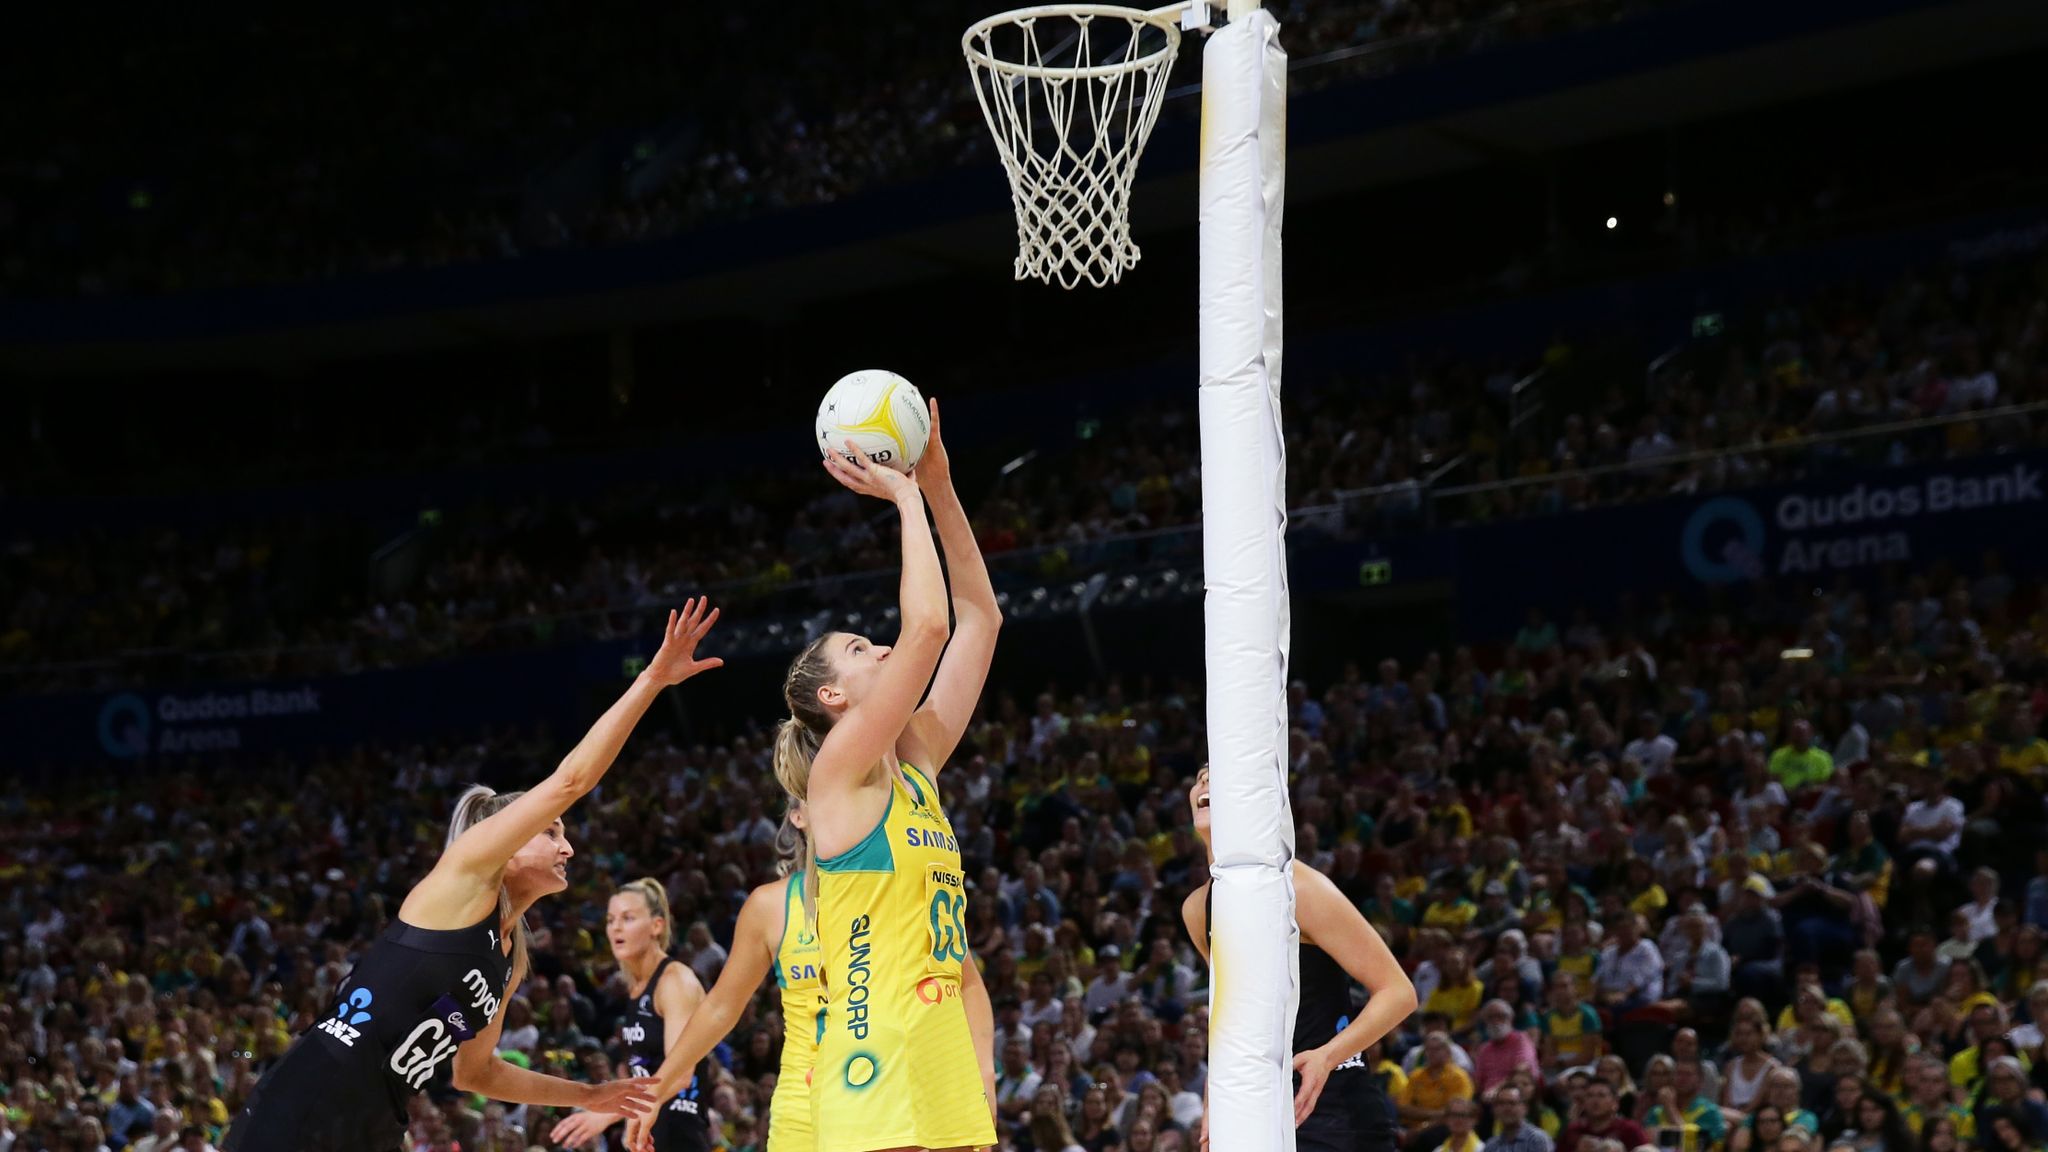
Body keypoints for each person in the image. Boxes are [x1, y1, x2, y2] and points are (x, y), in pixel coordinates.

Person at [222, 600, 723, 1151]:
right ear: (507, 843)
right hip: (315, 1088)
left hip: (379, 1117)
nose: (569, 847)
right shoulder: (466, 878)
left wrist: (590, 1094)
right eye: (552, 833)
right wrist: (651, 680)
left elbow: (476, 1074)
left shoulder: (507, 958)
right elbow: (570, 781)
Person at [762, 407, 1004, 1152]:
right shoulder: (840, 768)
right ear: (832, 698)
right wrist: (903, 498)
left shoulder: (918, 758)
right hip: (874, 1054)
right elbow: (929, 627)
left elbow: (979, 619)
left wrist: (941, 489)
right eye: (863, 648)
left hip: (937, 1051)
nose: (884, 647)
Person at [627, 809, 998, 1152]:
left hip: (887, 1087)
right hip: (802, 1101)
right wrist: (655, 1090)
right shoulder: (770, 906)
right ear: (798, 815)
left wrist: (983, 1077)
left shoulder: (895, 885)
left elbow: (965, 982)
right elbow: (721, 1006)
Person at [1184, 766, 1418, 1152]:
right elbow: (1229, 1020)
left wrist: (1327, 1057)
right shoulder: (1196, 908)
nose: (1204, 784)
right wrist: (1215, 1100)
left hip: (1335, 1108)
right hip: (1258, 1110)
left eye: (1218, 774)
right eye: (1200, 778)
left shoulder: (1299, 887)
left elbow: (1399, 992)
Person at [551, 878, 711, 1151]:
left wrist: (607, 1113)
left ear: (656, 926)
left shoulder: (675, 981)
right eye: (611, 919)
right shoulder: (636, 986)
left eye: (628, 918)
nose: (616, 927)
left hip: (680, 1132)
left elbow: (682, 1072)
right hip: (649, 1132)